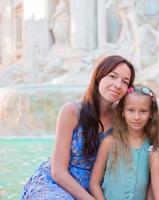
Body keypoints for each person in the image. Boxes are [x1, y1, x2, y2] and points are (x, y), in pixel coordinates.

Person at [21, 55, 135, 200]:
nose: (118, 84)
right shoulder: (71, 111)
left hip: (94, 186)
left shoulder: (123, 119)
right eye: (112, 76)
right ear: (99, 77)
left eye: (125, 82)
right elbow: (58, 172)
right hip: (56, 183)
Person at [89, 84, 158, 200]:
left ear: (151, 113)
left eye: (143, 111)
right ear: (122, 112)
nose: (137, 117)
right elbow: (94, 184)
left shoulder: (153, 144)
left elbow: (152, 184)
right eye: (131, 110)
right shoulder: (110, 142)